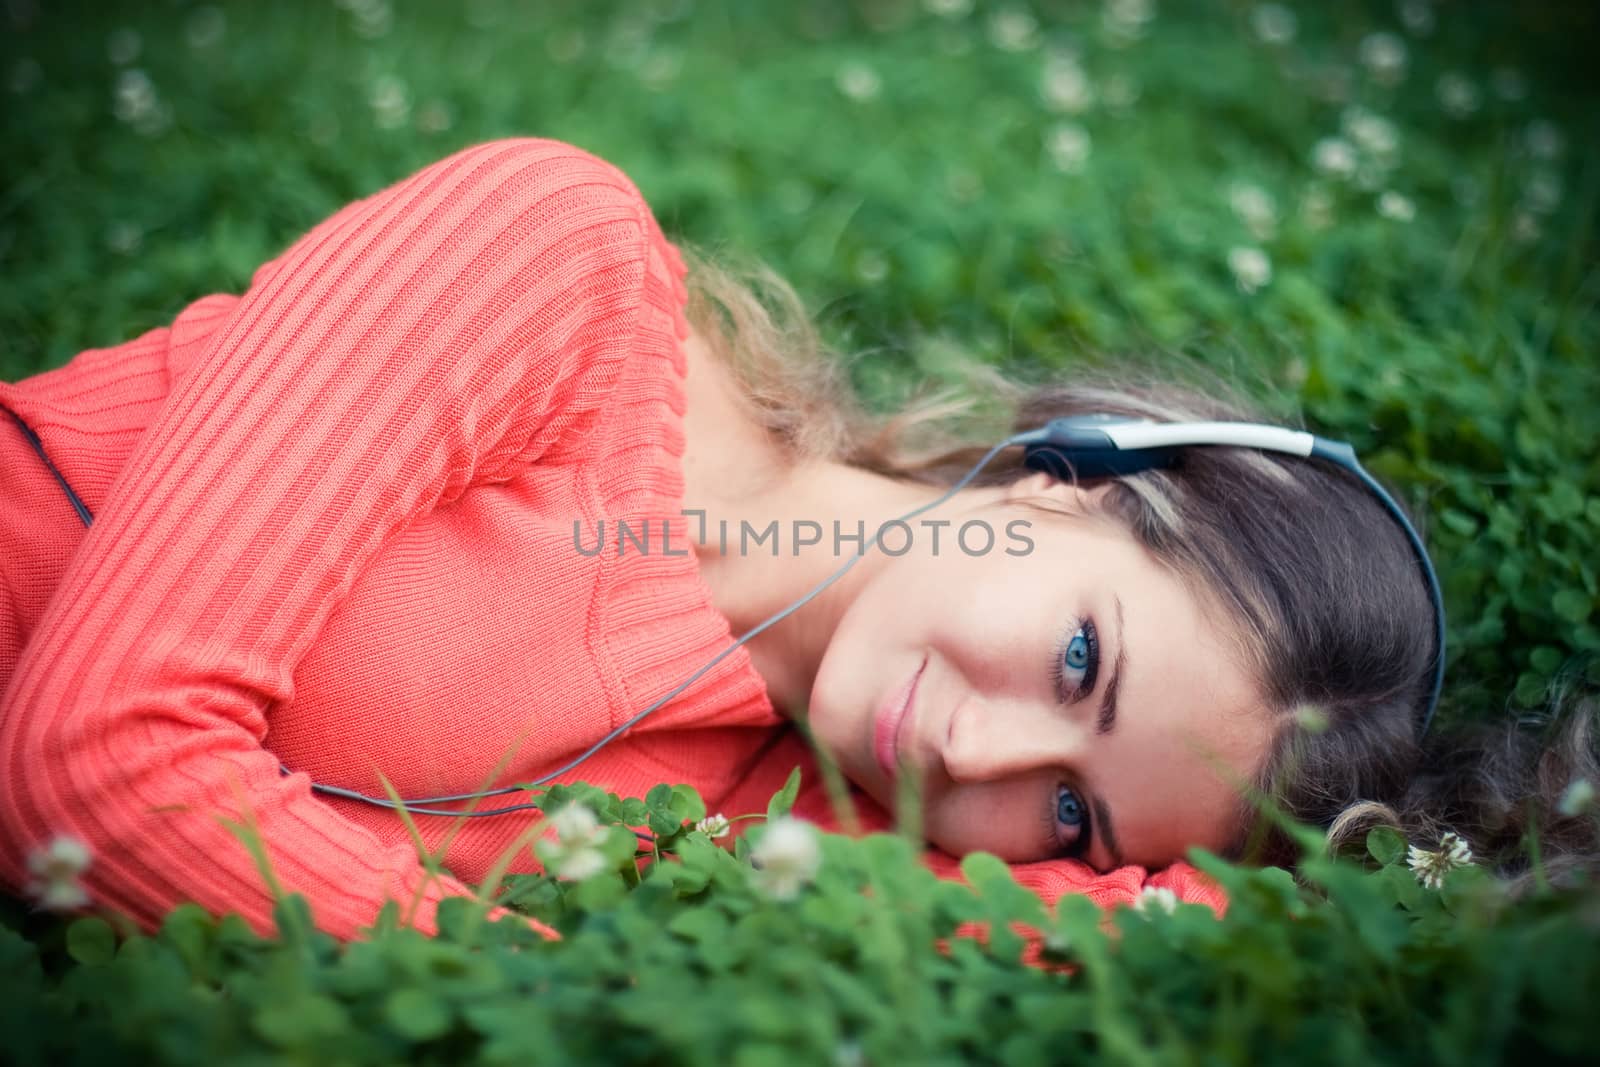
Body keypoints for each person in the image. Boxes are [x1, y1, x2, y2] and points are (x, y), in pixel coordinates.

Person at [0, 139, 1592, 943]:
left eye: (1069, 813)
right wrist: (537, 984)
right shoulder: (553, 276)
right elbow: (88, 766)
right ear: (1067, 480)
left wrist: (1454, 874)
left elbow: (1129, 947)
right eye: (1081, 660)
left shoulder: (816, 832)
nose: (973, 751)